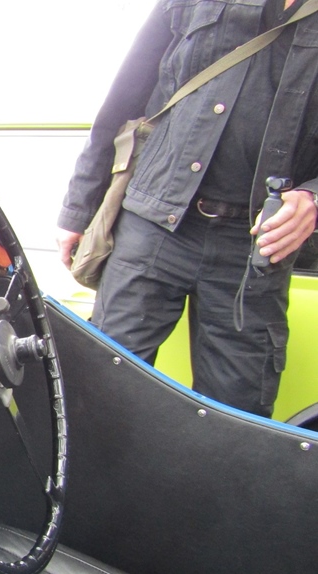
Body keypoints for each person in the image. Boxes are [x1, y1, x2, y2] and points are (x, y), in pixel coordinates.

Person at [57, 0, 318, 418]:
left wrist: (313, 198)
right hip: (152, 220)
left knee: (237, 420)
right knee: (100, 394)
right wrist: (78, 209)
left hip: (256, 247)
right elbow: (126, 94)